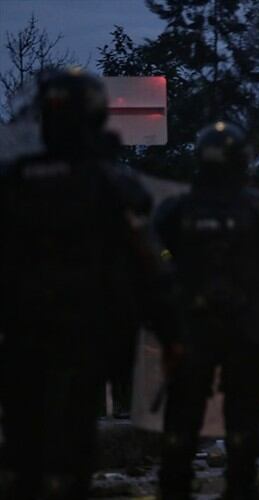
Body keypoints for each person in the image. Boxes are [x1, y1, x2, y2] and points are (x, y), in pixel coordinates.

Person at [0, 68, 177, 500]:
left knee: (24, 445)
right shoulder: (111, 185)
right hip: (86, 336)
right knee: (73, 447)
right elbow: (150, 267)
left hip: (22, 335)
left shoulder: (12, 183)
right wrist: (174, 335)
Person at [154, 121, 259, 500]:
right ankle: (240, 484)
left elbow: (156, 269)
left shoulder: (175, 211)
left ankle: (175, 485)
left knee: (183, 409)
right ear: (242, 160)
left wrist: (163, 325)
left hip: (192, 327)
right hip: (243, 327)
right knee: (243, 409)